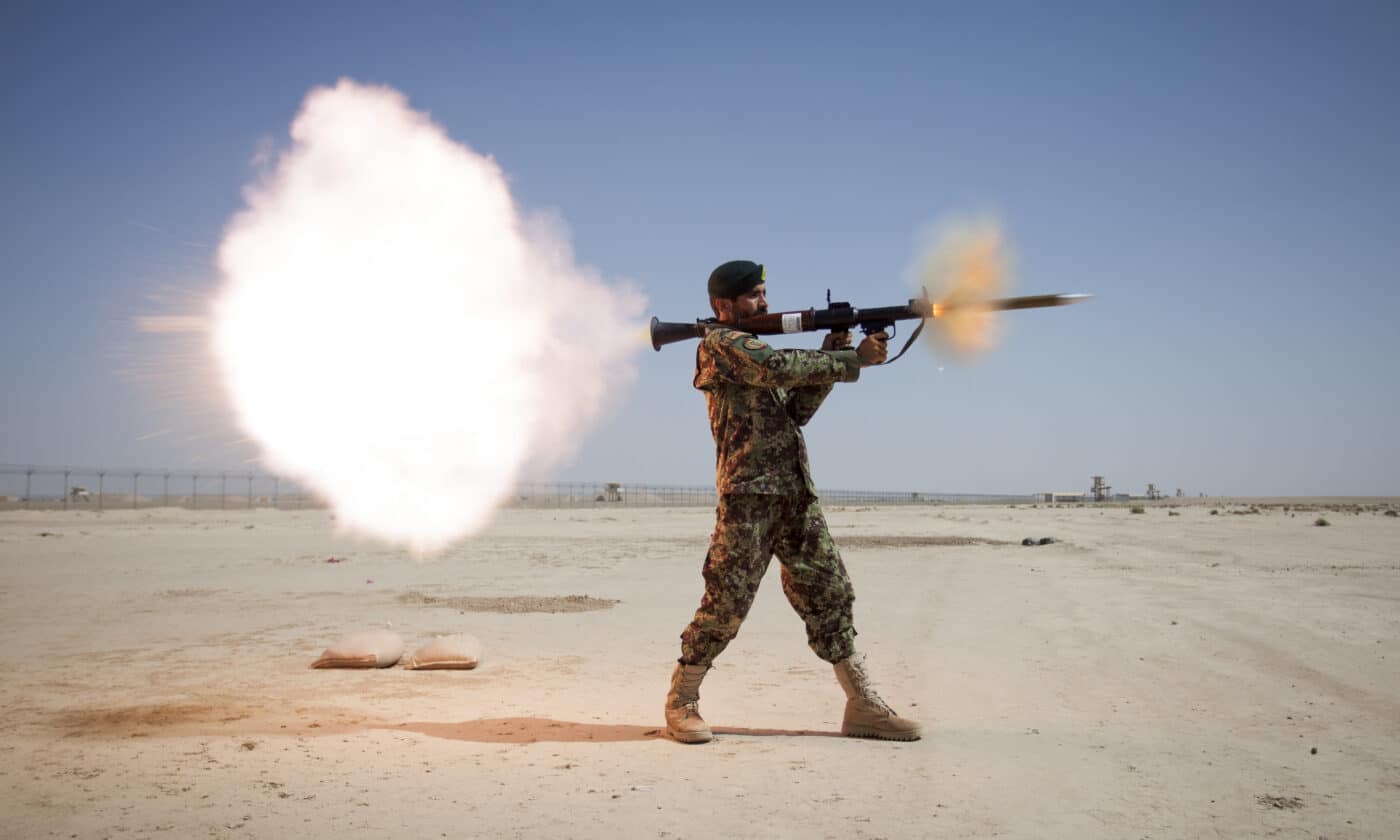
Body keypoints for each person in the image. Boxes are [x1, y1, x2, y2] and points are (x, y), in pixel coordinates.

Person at [664, 259, 922, 744]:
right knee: (727, 601)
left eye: (764, 294)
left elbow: (794, 412)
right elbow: (775, 366)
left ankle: (861, 704)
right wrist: (851, 361)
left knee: (829, 593)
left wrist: (832, 353)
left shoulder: (750, 351)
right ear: (724, 304)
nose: (765, 303)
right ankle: (683, 699)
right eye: (755, 296)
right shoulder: (720, 346)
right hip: (748, 498)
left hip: (794, 494)